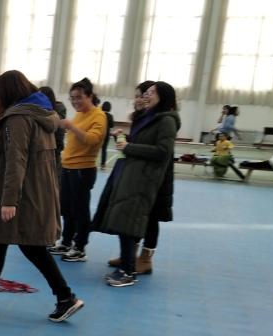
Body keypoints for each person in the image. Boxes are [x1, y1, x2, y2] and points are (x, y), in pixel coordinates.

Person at [0, 70, 83, 322]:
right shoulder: (43, 115)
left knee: (4, 243)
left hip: (19, 194)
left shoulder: (18, 119)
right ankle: (63, 297)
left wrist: (9, 200)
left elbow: (16, 159)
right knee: (12, 245)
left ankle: (63, 297)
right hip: (35, 191)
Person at [93, 81, 180, 287]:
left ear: (163, 96)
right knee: (124, 222)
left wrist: (129, 147)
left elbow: (163, 151)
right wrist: (124, 138)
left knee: (130, 223)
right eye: (145, 92)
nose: (145, 96)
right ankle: (127, 265)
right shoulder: (148, 117)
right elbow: (142, 143)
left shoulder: (166, 121)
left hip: (144, 179)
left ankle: (129, 270)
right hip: (132, 175)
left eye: (151, 93)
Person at [49, 77, 106, 262]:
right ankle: (66, 242)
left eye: (79, 97)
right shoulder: (80, 114)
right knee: (67, 209)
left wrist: (71, 127)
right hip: (68, 168)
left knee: (80, 210)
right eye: (72, 98)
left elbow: (92, 140)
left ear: (89, 96)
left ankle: (80, 247)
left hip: (83, 170)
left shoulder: (99, 115)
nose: (75, 102)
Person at [39, 86, 66, 173]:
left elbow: (59, 135)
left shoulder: (57, 113)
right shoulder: (42, 111)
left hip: (53, 153)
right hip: (43, 153)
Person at [99, 101, 114, 170]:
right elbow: (112, 126)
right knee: (104, 150)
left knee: (94, 149)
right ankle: (103, 165)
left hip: (99, 134)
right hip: (106, 135)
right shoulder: (110, 116)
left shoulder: (99, 114)